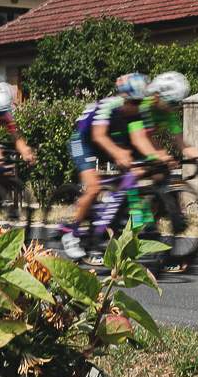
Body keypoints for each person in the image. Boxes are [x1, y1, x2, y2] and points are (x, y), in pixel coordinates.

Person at [62, 73, 149, 259]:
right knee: (93, 187)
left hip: (107, 141)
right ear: (124, 97)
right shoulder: (108, 105)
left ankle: (106, 219)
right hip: (83, 141)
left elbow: (139, 139)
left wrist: (153, 157)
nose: (137, 107)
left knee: (131, 177)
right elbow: (98, 136)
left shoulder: (137, 113)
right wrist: (118, 153)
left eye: (140, 102)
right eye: (134, 102)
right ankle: (71, 233)